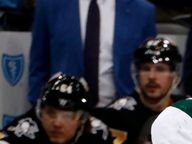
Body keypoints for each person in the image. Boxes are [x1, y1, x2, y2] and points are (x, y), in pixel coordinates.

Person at [27, 0, 156, 108]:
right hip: (64, 115)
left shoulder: (143, 11)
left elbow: (148, 67)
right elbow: (39, 66)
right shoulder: (50, 5)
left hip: (122, 114)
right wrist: (39, 107)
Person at [0, 73, 114, 144]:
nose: (57, 123)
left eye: (67, 116)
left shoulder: (98, 137)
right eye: (50, 113)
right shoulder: (26, 131)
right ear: (40, 112)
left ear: (82, 119)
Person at [95, 37, 185, 144]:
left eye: (160, 69)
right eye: (146, 69)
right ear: (136, 74)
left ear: (175, 75)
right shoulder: (116, 115)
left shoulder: (188, 112)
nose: (152, 76)